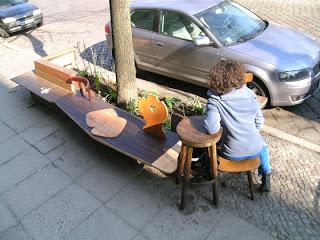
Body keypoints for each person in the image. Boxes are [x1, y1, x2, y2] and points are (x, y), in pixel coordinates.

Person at [203, 59, 271, 192]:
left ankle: (209, 172)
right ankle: (266, 176)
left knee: (213, 148)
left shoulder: (215, 101)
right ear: (240, 76)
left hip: (231, 153)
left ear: (216, 80)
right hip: (255, 149)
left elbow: (212, 129)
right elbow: (259, 122)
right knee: (264, 148)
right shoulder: (251, 95)